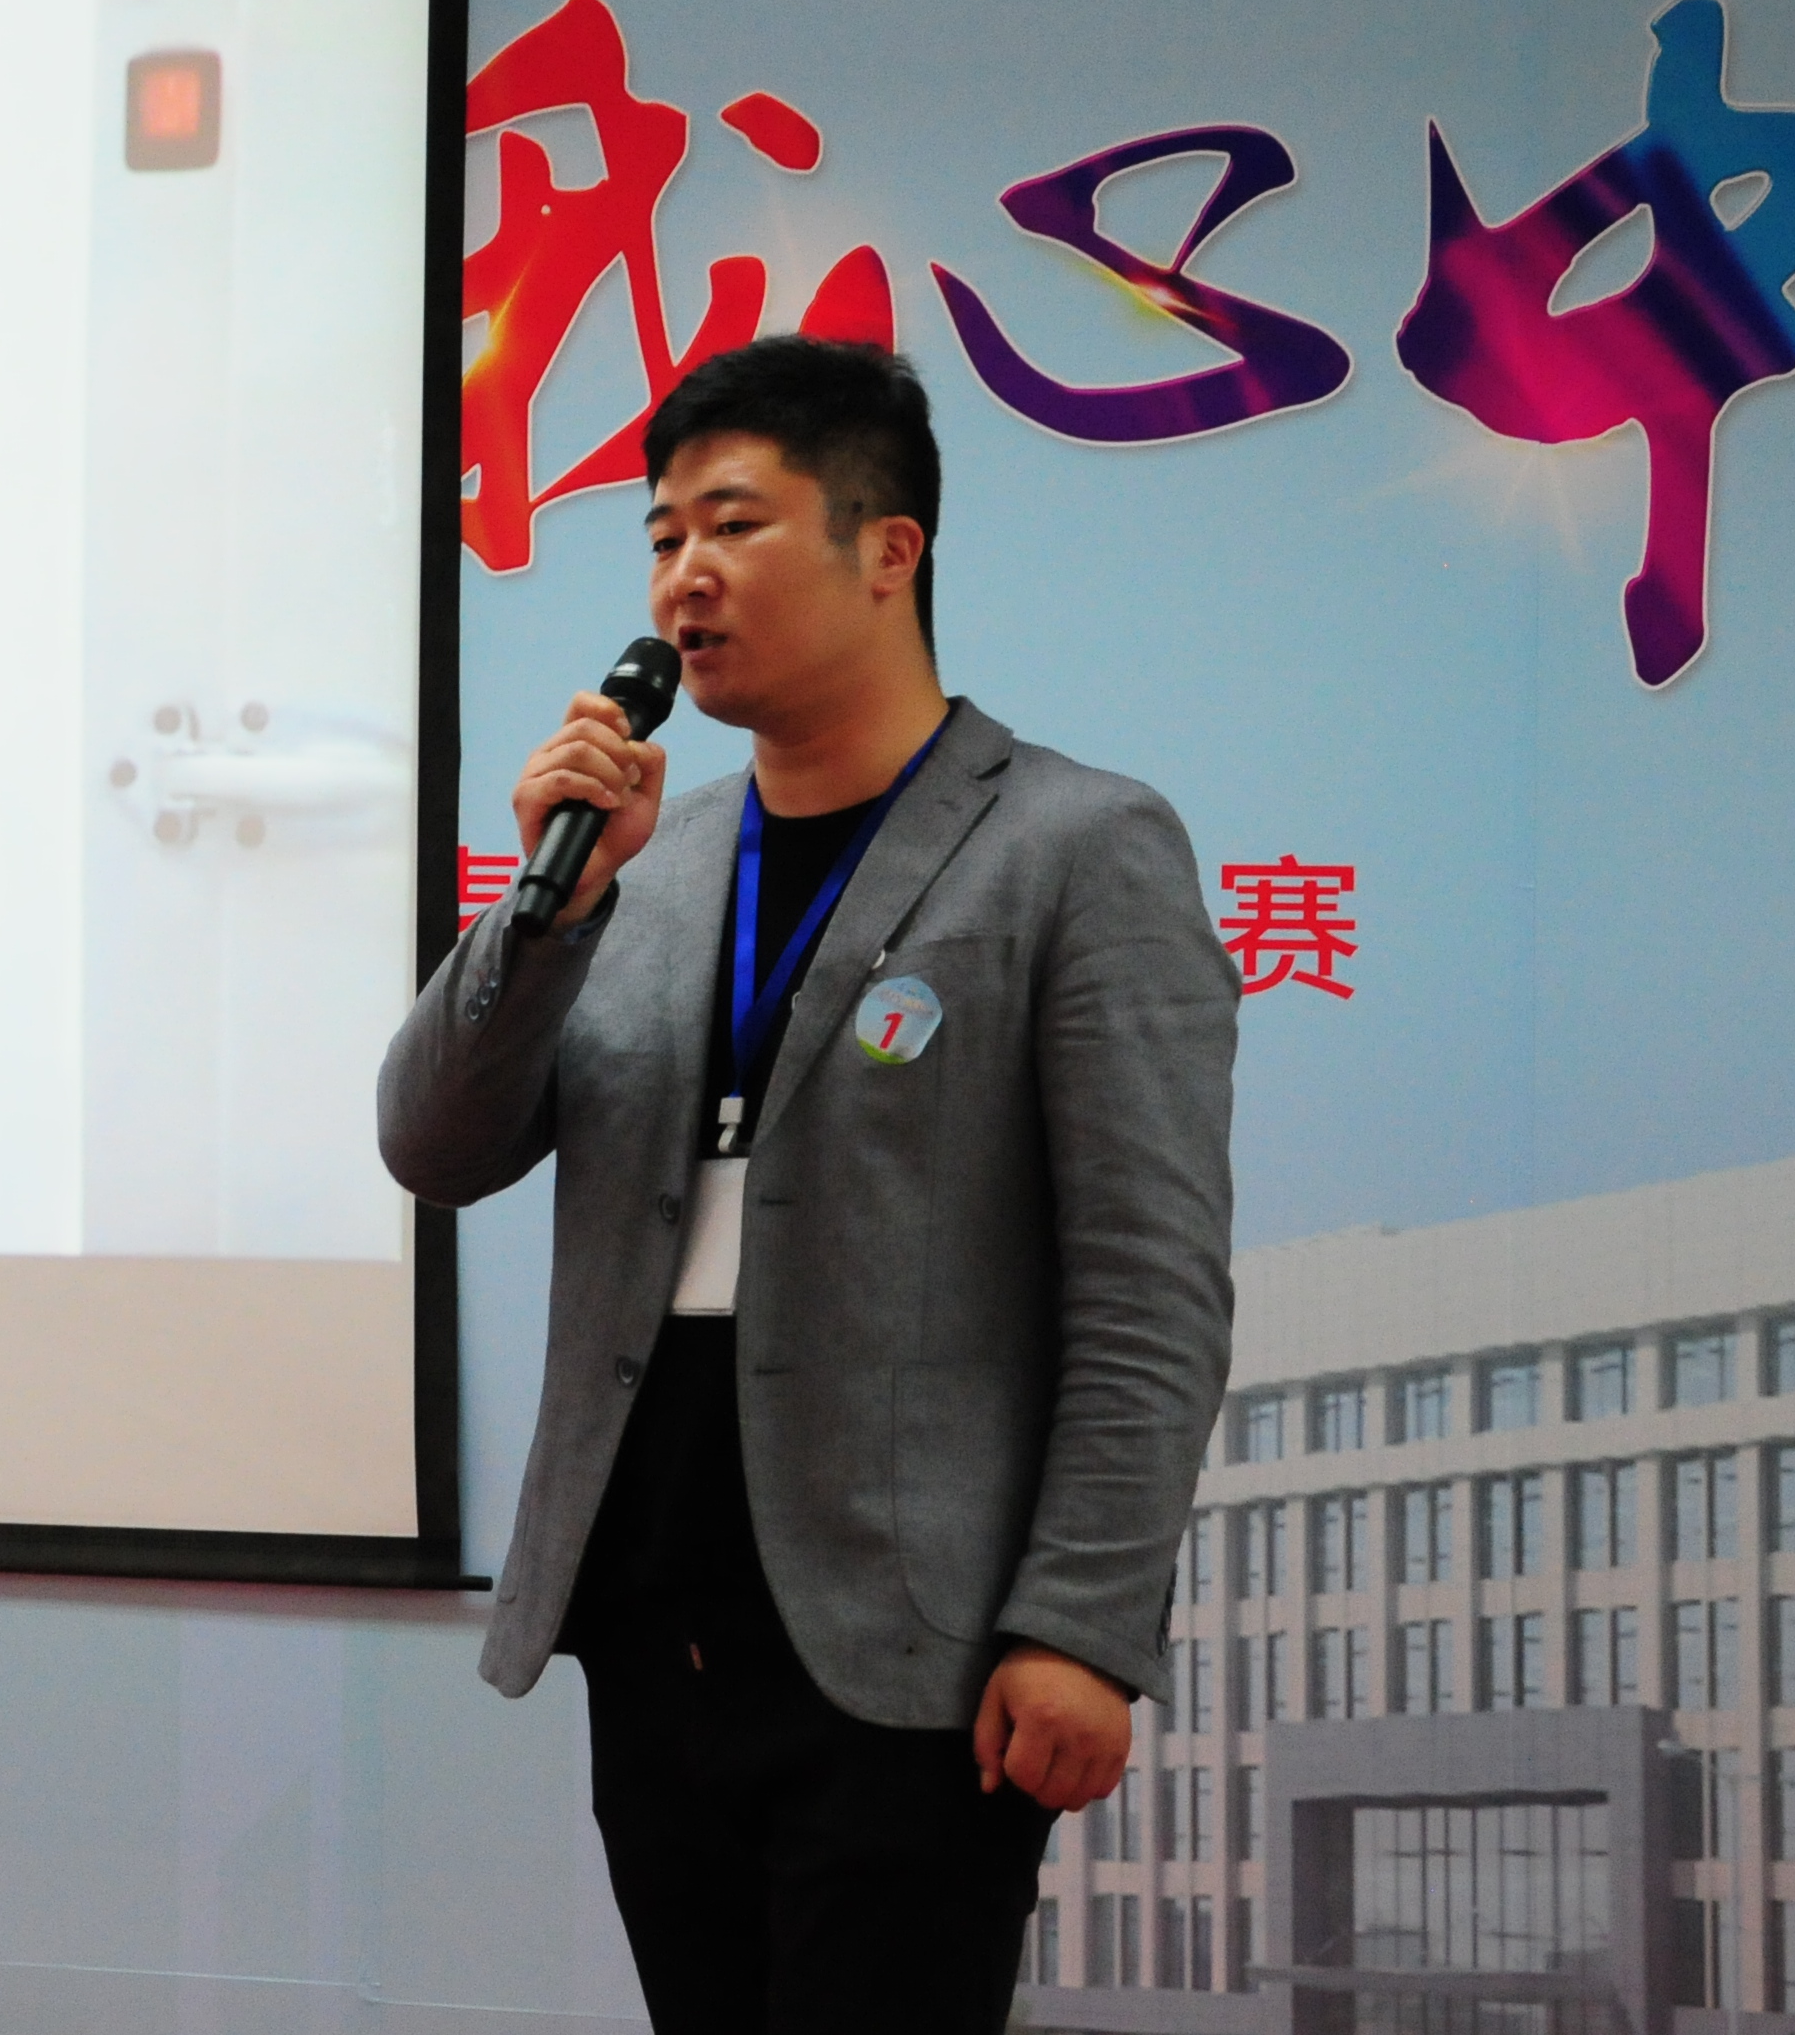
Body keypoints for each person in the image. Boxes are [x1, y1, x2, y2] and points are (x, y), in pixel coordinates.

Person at [377, 338, 1235, 2033]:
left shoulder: (1073, 846)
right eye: (659, 537)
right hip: (649, 1616)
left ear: (886, 547)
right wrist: (546, 915)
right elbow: (436, 1143)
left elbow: (1148, 1288)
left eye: (732, 523)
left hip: (907, 1643)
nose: (681, 576)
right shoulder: (646, 861)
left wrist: (1081, 1623)